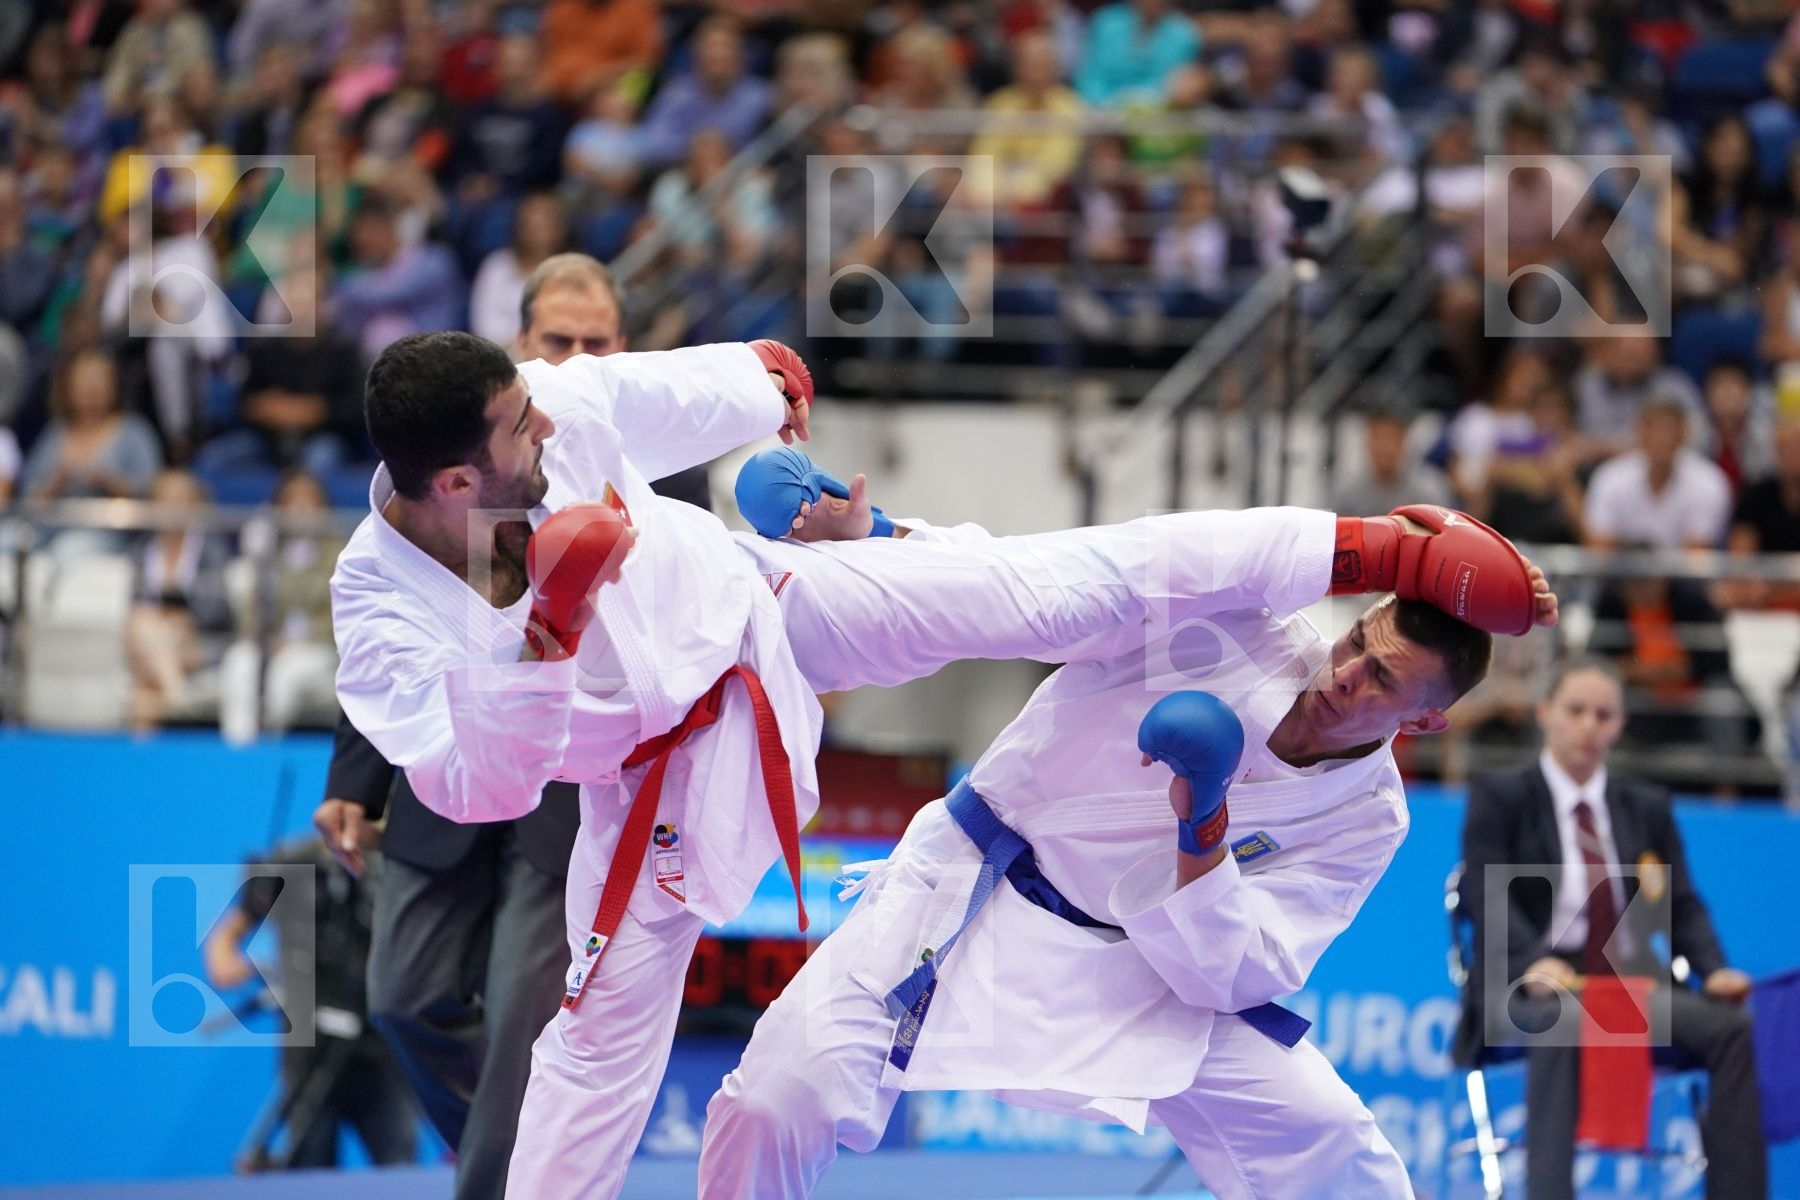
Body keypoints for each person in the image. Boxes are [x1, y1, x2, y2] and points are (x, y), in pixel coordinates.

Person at [331, 331, 1548, 1200]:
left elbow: (616, 394)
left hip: (770, 607)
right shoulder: (381, 611)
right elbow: (469, 787)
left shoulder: (532, 412)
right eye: (519, 428)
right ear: (454, 481)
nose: (543, 420)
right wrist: (540, 646)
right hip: (669, 781)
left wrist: (756, 381)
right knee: (611, 1050)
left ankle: (1373, 538)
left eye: (1390, 681)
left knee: (1052, 587)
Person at [700, 472, 1558, 1200]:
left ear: (1431, 720)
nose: (1345, 674)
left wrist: (1204, 828)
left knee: (1332, 1139)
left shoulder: (1369, 815)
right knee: (775, 1098)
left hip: (1138, 973)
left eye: (1384, 681)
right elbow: (1049, 583)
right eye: (1358, 643)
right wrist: (885, 537)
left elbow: (1244, 972)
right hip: (962, 901)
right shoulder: (1233, 626)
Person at [311, 254, 701, 1200]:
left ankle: (504, 1179)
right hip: (445, 780)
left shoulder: (651, 475)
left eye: (596, 343)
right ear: (523, 348)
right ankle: (526, 1152)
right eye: (558, 342)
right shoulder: (449, 462)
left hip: (568, 799)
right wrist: (350, 785)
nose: (577, 354)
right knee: (404, 1001)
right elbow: (392, 649)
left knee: (531, 1026)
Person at [1459, 657, 1766, 1200]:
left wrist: (1713, 970)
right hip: (1524, 988)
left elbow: (1682, 904)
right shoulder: (1501, 797)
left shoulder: (1644, 807)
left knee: (1732, 1027)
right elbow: (1485, 892)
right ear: (1546, 713)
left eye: (1603, 715)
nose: (1588, 726)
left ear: (1620, 725)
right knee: (1563, 1018)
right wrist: (1533, 960)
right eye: (1576, 711)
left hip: (1625, 989)